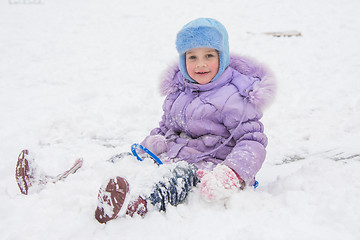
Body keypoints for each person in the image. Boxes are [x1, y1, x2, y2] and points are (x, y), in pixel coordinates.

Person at [15, 18, 276, 224]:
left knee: (176, 177)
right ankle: (58, 183)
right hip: (173, 154)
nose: (201, 64)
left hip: (209, 168)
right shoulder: (179, 92)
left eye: (209, 55)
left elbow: (252, 140)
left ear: (223, 56)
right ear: (183, 61)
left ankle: (137, 203)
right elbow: (166, 127)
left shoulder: (236, 97)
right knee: (124, 160)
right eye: (192, 56)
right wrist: (153, 143)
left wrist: (232, 172)